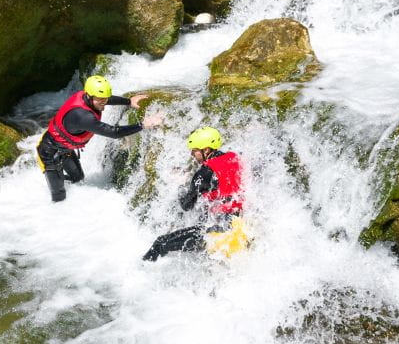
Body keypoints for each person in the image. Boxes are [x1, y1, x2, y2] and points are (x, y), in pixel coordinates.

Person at [38, 75, 160, 202]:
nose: (104, 102)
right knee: (59, 196)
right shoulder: (83, 116)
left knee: (78, 178)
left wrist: (129, 101)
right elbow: (114, 132)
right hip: (49, 152)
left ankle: (59, 180)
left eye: (105, 98)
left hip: (65, 149)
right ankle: (54, 184)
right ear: (89, 96)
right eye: (100, 99)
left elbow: (104, 99)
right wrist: (142, 125)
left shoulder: (89, 98)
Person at [143, 126, 246, 261]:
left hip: (221, 236)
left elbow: (186, 205)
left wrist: (180, 187)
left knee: (159, 244)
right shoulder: (234, 158)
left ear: (206, 149)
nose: (192, 154)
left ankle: (140, 270)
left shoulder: (203, 174)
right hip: (242, 227)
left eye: (195, 150)